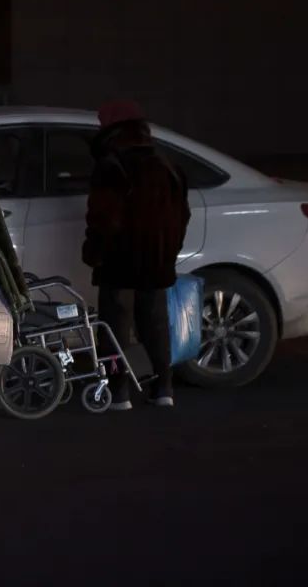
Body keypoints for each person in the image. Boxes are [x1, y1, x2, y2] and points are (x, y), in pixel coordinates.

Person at [82, 100, 191, 410]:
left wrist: (94, 253)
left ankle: (119, 392)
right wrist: (169, 251)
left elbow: (104, 218)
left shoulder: (112, 165)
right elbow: (183, 215)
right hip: (158, 261)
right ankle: (163, 388)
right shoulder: (167, 164)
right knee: (155, 326)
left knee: (115, 330)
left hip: (120, 262)